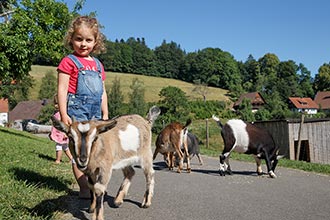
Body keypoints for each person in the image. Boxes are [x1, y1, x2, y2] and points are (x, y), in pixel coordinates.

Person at [57, 16, 109, 199]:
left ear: (96, 42)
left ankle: (94, 181)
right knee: (78, 151)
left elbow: (102, 91)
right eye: (79, 39)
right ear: (71, 39)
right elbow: (62, 89)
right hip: (76, 112)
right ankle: (84, 188)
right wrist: (64, 114)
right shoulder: (68, 61)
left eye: (88, 40)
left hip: (95, 114)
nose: (83, 44)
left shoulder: (98, 65)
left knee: (94, 151)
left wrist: (105, 112)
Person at [49, 94, 73, 164]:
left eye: (58, 104)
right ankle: (71, 158)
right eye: (55, 103)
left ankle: (58, 160)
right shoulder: (57, 113)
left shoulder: (62, 115)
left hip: (61, 135)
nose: (56, 106)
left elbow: (65, 124)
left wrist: (65, 133)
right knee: (65, 147)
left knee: (58, 146)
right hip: (59, 134)